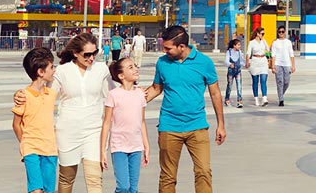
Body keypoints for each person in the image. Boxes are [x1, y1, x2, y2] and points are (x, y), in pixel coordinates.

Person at [15, 32, 112, 192]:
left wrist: (136, 92)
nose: (91, 58)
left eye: (94, 53)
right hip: (67, 132)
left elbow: (113, 96)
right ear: (75, 53)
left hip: (93, 131)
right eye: (87, 54)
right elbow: (43, 94)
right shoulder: (62, 71)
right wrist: (20, 94)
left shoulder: (101, 69)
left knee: (95, 180)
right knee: (66, 180)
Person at [141, 26, 226, 193]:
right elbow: (156, 88)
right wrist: (133, 99)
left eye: (167, 48)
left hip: (197, 126)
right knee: (168, 176)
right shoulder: (162, 63)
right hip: (169, 127)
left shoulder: (204, 62)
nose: (164, 51)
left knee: (203, 172)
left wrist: (220, 124)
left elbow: (215, 93)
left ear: (181, 46)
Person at [12, 48, 58, 193]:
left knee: (48, 189)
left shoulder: (51, 94)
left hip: (50, 149)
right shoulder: (24, 95)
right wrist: (25, 143)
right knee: (36, 189)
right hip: (31, 148)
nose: (54, 70)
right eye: (51, 67)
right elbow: (16, 124)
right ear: (40, 72)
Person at [100, 58, 149, 193]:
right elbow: (106, 123)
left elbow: (142, 122)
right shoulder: (113, 95)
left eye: (135, 66)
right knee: (123, 187)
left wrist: (146, 146)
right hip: (119, 146)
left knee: (133, 189)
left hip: (136, 146)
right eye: (130, 67)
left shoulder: (140, 94)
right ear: (121, 76)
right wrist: (103, 150)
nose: (135, 69)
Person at [270, 26, 296, 107]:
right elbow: (273, 55)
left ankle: (281, 94)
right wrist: (273, 66)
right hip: (278, 64)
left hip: (287, 64)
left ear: (285, 32)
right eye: (279, 32)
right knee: (280, 82)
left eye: (282, 31)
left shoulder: (288, 42)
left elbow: (291, 54)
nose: (281, 33)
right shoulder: (275, 42)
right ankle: (281, 99)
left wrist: (293, 65)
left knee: (286, 82)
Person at [246, 28, 271, 107]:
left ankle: (264, 98)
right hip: (255, 61)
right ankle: (256, 98)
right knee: (255, 81)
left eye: (263, 34)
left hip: (263, 60)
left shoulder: (263, 41)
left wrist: (264, 40)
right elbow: (248, 53)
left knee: (263, 80)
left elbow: (268, 49)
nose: (262, 35)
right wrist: (247, 62)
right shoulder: (252, 43)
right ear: (257, 33)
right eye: (261, 33)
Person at [223, 39, 244, 108]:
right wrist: (229, 64)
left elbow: (241, 61)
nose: (239, 46)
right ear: (234, 45)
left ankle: (239, 101)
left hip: (238, 71)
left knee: (239, 86)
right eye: (238, 45)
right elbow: (226, 61)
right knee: (229, 86)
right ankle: (227, 99)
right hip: (231, 72)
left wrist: (245, 64)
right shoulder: (229, 52)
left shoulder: (239, 52)